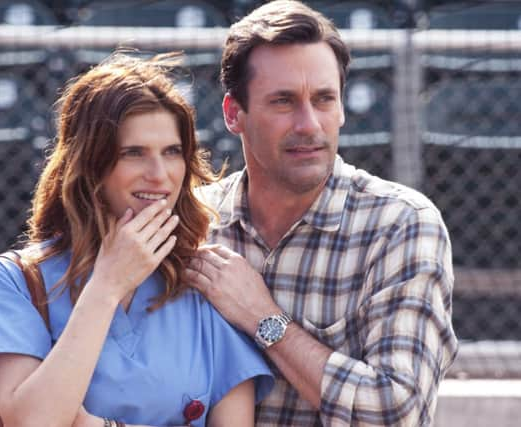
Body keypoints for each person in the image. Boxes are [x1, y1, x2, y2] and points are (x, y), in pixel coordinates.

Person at [186, 1, 459, 426]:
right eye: (283, 101)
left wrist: (264, 319)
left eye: (324, 99)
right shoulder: (192, 223)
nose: (309, 124)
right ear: (232, 113)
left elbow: (395, 413)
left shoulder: (400, 225)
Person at [0, 52, 273, 427]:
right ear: (91, 163)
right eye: (134, 153)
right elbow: (37, 421)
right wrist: (108, 285)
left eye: (172, 152)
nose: (160, 175)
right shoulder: (10, 281)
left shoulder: (204, 284)